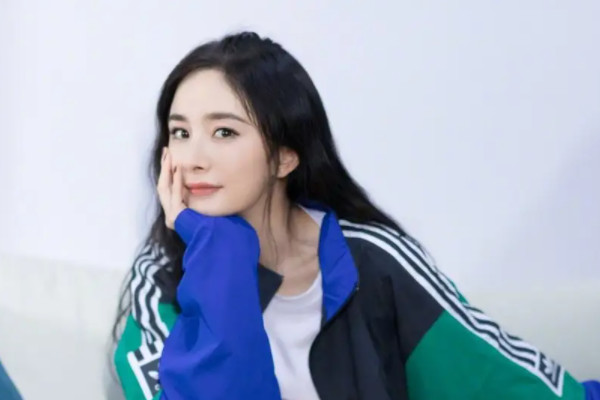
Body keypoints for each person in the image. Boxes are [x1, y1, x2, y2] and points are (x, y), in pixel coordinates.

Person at [112, 31, 599, 400]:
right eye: (179, 133)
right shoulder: (160, 283)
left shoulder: (370, 260)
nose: (193, 158)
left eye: (224, 132)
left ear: (286, 156)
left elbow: (504, 382)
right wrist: (219, 252)